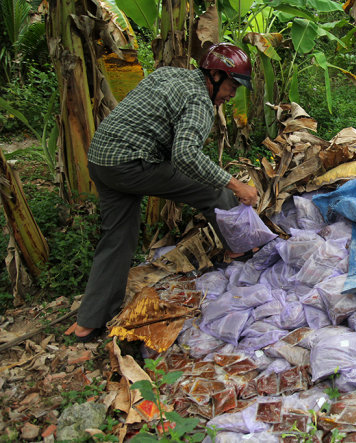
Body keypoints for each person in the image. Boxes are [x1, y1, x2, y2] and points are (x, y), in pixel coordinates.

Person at [72, 43, 258, 342]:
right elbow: (185, 155)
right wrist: (236, 185)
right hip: (130, 163)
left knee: (118, 238)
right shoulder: (200, 101)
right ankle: (244, 249)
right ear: (214, 74)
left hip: (101, 159)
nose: (232, 95)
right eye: (232, 85)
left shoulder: (171, 74)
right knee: (213, 188)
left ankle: (88, 323)